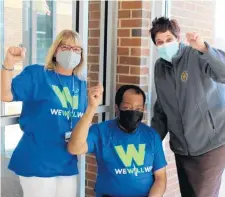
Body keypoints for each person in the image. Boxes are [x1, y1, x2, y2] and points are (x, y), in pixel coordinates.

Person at [1, 30, 96, 197]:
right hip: (37, 160)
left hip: (66, 162)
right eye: (65, 47)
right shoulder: (37, 74)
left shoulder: (81, 84)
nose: (71, 53)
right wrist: (8, 64)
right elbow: (5, 94)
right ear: (55, 50)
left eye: (76, 49)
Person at [150, 17, 225, 197]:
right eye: (159, 42)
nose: (164, 44)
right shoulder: (160, 68)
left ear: (178, 39)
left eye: (169, 39)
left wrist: (204, 48)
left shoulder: (195, 55)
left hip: (210, 145)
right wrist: (152, 141)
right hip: (181, 148)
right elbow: (162, 108)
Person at [68, 84, 167, 197]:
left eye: (138, 109)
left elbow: (160, 178)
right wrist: (91, 108)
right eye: (127, 108)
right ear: (116, 108)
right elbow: (74, 148)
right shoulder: (101, 131)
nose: (133, 112)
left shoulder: (152, 136)